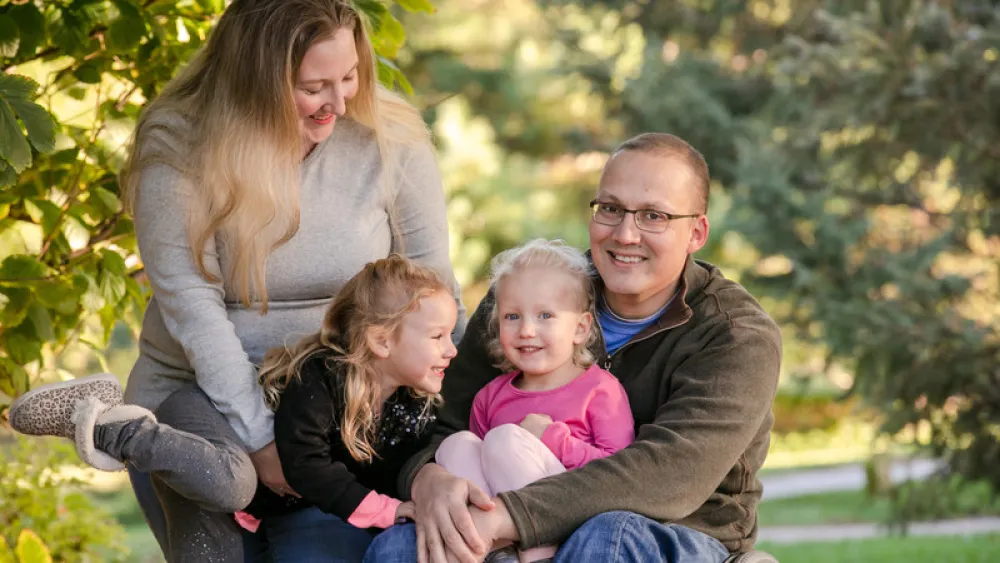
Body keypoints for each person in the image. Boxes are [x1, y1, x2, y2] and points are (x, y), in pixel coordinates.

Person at [15, 0, 466, 561]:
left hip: (341, 413)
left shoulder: (388, 134)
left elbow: (435, 285)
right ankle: (111, 424)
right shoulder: (179, 145)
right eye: (313, 86)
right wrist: (258, 437)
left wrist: (450, 433)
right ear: (257, 80)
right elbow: (191, 307)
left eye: (350, 75)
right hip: (202, 409)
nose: (341, 102)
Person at [363, 132, 782, 563]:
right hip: (498, 510)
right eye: (611, 209)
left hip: (673, 530)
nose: (625, 234)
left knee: (608, 539)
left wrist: (510, 519)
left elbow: (671, 472)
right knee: (399, 547)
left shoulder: (734, 335)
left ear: (696, 232)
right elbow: (440, 420)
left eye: (653, 216)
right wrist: (426, 476)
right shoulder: (530, 297)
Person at [237, 255, 458, 561]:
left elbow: (399, 467)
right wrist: (384, 510)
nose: (452, 349)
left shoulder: (414, 399)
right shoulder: (320, 378)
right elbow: (304, 464)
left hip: (346, 511)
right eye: (437, 336)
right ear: (382, 341)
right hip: (282, 507)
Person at [434, 239, 634, 563]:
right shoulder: (490, 396)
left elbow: (620, 470)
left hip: (566, 516)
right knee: (456, 445)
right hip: (496, 524)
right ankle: (492, 553)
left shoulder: (600, 390)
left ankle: (537, 557)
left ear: (580, 328)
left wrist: (553, 440)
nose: (526, 330)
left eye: (545, 315)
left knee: (504, 439)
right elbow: (483, 472)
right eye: (512, 316)